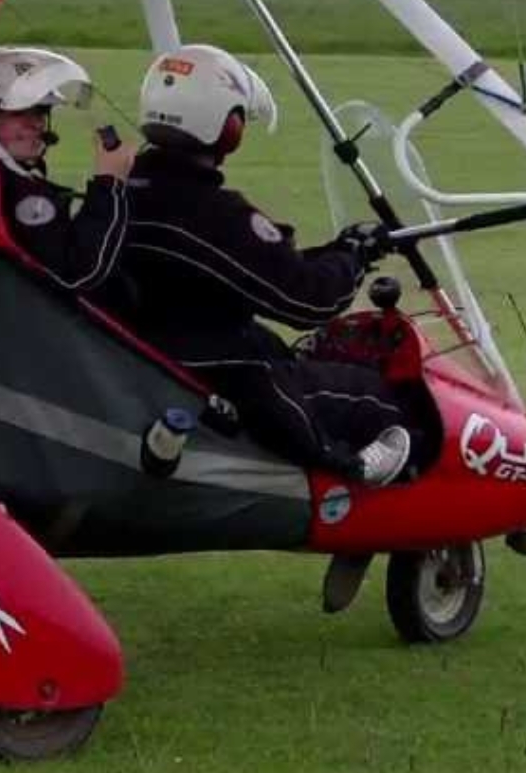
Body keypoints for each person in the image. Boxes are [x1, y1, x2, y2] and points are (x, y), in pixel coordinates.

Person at [114, 43, 412, 485]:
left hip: (161, 357)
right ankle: (348, 468)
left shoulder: (121, 191)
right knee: (376, 399)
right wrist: (355, 254)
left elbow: (249, 273)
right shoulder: (213, 214)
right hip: (222, 372)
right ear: (228, 129)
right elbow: (307, 302)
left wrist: (336, 251)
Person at [0, 46, 136, 294]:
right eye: (19, 113)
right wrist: (110, 184)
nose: (35, 123)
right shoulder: (17, 191)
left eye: (40, 111)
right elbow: (79, 274)